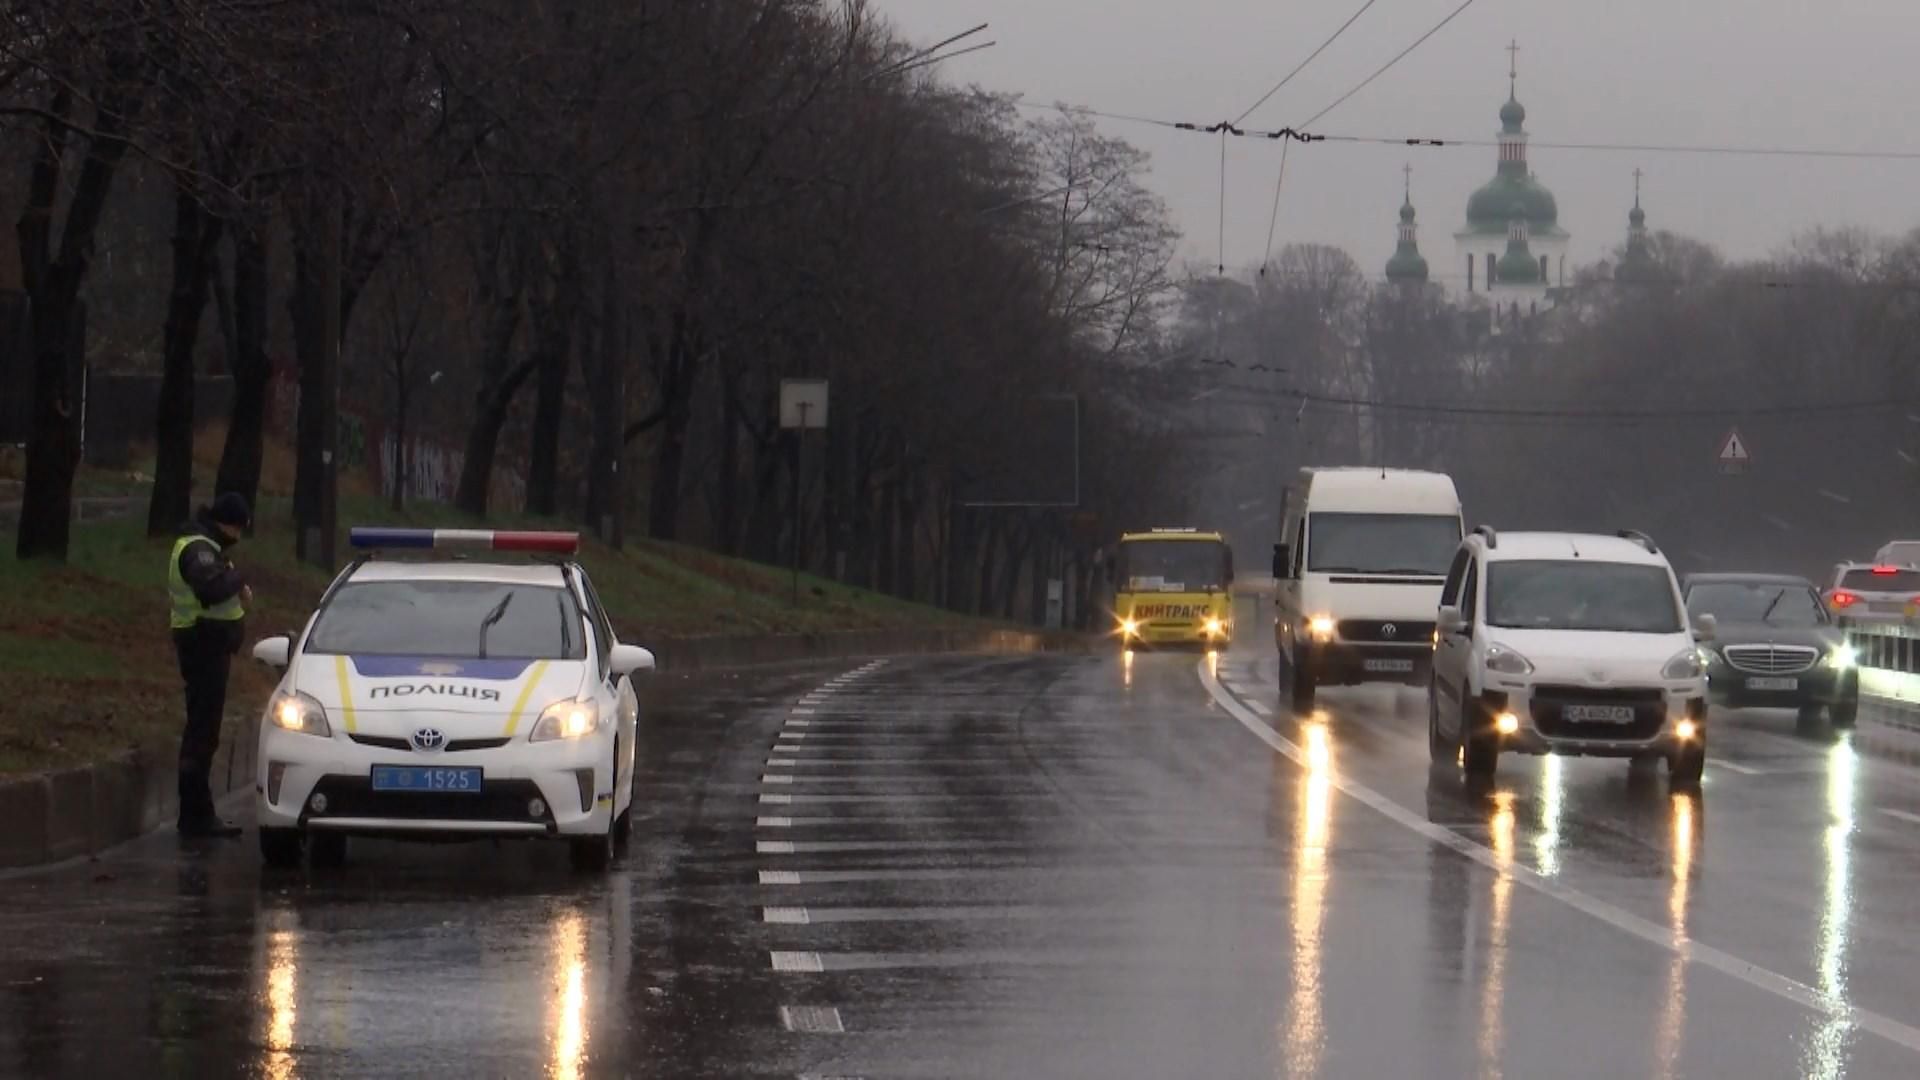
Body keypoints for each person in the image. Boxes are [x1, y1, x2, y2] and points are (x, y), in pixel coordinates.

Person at [169, 493, 254, 838]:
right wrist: (239, 577)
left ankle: (198, 813)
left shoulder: (207, 547)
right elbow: (210, 588)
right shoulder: (199, 548)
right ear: (228, 524)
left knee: (204, 732)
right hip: (202, 646)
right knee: (201, 734)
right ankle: (194, 816)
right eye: (239, 529)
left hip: (209, 647)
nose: (240, 537)